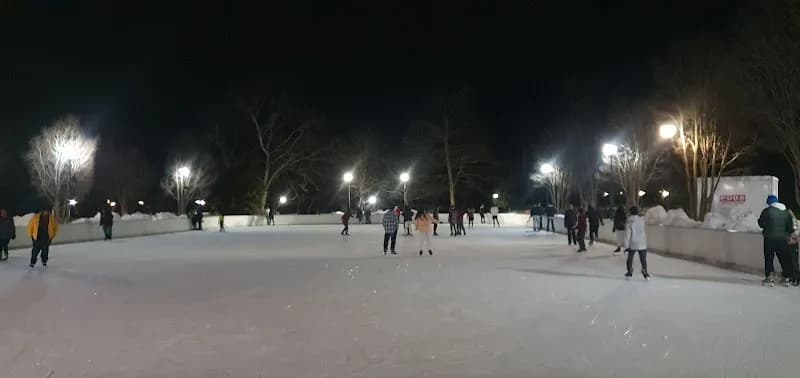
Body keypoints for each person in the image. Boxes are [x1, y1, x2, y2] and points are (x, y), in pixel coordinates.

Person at [757, 194, 795, 286]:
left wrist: (759, 220)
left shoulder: (767, 211)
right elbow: (790, 228)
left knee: (769, 257)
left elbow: (762, 224)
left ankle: (770, 277)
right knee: (784, 257)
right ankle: (786, 278)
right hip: (782, 238)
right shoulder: (786, 212)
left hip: (769, 238)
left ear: (769, 203)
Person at [624, 206, 650, 280]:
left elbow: (627, 234)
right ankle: (644, 270)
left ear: (630, 212)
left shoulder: (629, 221)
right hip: (642, 242)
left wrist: (626, 246)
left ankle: (629, 271)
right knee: (643, 259)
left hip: (633, 243)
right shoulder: (642, 220)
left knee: (630, 258)